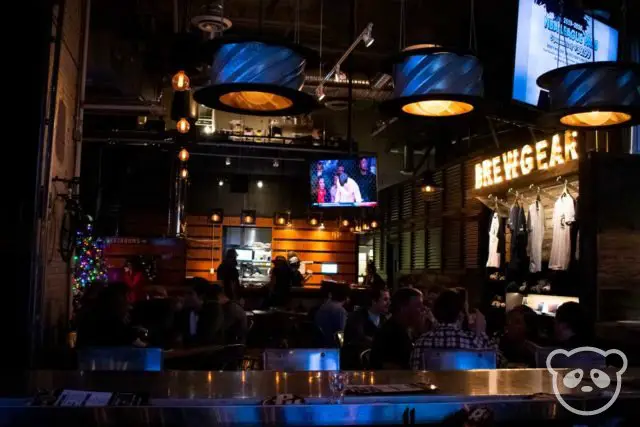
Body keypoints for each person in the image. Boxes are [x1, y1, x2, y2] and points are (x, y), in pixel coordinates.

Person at [410, 290, 495, 369]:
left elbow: (415, 374)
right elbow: (497, 362)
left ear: (435, 313)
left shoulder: (421, 342)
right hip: (464, 385)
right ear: (460, 315)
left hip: (431, 385)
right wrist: (482, 332)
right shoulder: (474, 341)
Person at [370, 288, 424, 370]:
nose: (422, 310)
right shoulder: (389, 334)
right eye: (418, 306)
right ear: (403, 308)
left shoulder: (406, 329)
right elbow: (382, 366)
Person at [76, 282, 141, 347]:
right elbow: (123, 337)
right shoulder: (110, 319)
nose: (129, 301)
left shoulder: (95, 312)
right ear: (119, 298)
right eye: (127, 296)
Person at [175, 277, 223, 347]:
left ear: (201, 296)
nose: (185, 297)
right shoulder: (185, 311)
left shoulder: (213, 311)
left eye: (190, 293)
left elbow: (205, 339)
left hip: (210, 354)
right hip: (188, 354)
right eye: (184, 293)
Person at [314, 283, 350, 347]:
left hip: (320, 345)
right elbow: (340, 334)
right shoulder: (340, 311)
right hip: (332, 347)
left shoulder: (323, 307)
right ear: (347, 298)